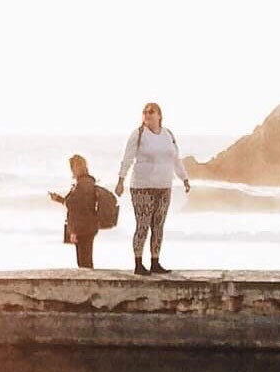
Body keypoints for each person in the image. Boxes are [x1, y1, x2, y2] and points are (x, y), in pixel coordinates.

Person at [116, 101, 191, 275]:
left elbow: (176, 159)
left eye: (151, 111)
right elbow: (127, 158)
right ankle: (138, 263)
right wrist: (121, 180)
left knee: (158, 225)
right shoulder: (139, 134)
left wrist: (184, 178)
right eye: (145, 112)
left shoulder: (168, 135)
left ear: (159, 115)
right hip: (142, 187)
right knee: (143, 225)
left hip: (164, 186)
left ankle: (155, 262)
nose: (148, 114)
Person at [49, 153, 100, 268]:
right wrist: (59, 199)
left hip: (83, 227)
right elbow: (74, 204)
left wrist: (74, 231)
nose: (72, 170)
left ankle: (88, 285)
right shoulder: (87, 182)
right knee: (85, 261)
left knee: (84, 263)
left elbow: (75, 206)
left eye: (73, 167)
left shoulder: (82, 184)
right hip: (87, 226)